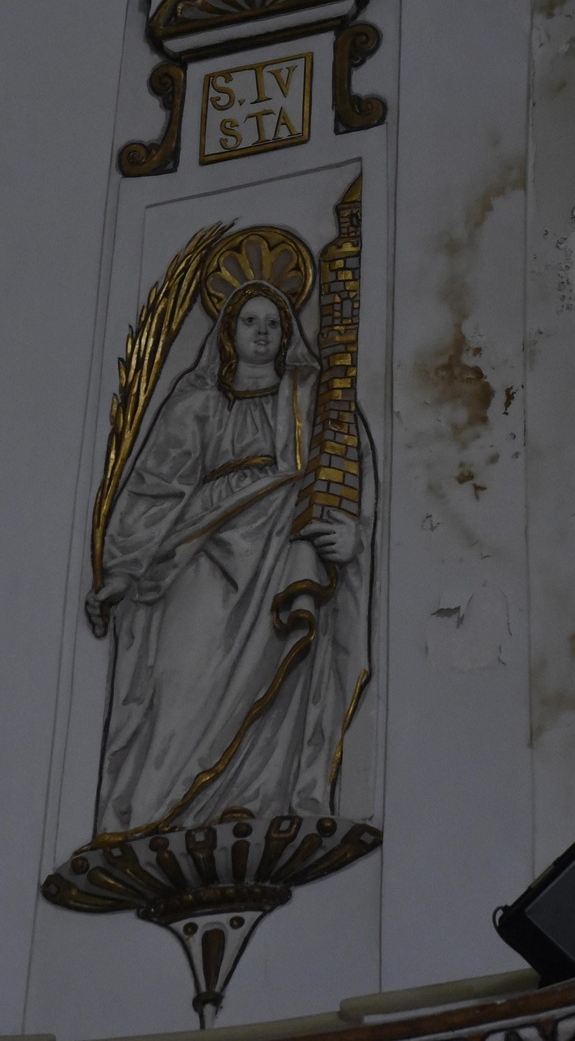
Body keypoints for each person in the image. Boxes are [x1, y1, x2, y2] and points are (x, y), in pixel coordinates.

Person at [84, 280, 372, 846]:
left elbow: (346, 461)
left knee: (284, 671)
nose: (262, 333)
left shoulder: (311, 394)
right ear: (228, 332)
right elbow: (156, 490)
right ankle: (156, 811)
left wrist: (352, 532)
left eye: (273, 323)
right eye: (250, 321)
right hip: (202, 553)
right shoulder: (196, 403)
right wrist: (121, 569)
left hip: (282, 553)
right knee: (178, 679)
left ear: (287, 333)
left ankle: (252, 800)